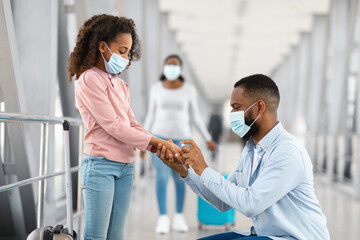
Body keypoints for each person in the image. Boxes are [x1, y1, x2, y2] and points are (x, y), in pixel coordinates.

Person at [156, 74, 330, 240]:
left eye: (236, 107)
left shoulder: (288, 152)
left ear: (259, 107)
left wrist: (204, 168)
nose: (231, 114)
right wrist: (185, 171)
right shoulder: (251, 149)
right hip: (267, 234)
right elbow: (222, 202)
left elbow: (250, 204)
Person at [67, 14, 181, 240]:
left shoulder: (121, 85)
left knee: (116, 235)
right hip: (100, 166)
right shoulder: (89, 79)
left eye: (128, 52)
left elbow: (132, 124)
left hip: (126, 167)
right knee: (96, 236)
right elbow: (114, 126)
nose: (126, 57)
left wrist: (155, 146)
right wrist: (157, 141)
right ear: (102, 46)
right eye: (121, 50)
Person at [140, 54, 217, 234]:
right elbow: (151, 114)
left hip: (182, 139)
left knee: (181, 177)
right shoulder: (156, 88)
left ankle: (179, 216)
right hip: (159, 138)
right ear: (163, 68)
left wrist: (208, 138)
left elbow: (195, 116)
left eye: (175, 65)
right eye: (168, 65)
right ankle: (163, 218)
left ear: (180, 69)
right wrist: (143, 140)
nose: (171, 68)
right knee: (161, 177)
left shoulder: (189, 90)